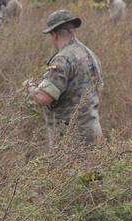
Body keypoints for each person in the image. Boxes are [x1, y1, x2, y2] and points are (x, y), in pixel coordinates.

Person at [24, 10, 104, 147]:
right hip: (93, 133)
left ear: (54, 34)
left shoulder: (63, 58)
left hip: (70, 140)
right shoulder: (90, 54)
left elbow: (44, 97)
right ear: (72, 31)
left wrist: (30, 86)